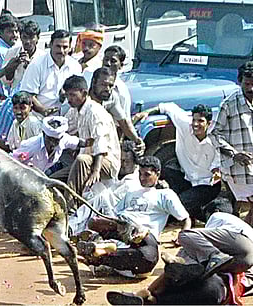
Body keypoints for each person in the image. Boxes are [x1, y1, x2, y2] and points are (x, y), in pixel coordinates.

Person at [107, 209, 253, 305]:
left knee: (186, 263)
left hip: (216, 282)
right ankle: (148, 298)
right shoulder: (236, 236)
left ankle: (146, 295)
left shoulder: (223, 230)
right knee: (181, 279)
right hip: (216, 286)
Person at [77, 156, 191, 278]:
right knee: (95, 221)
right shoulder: (131, 193)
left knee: (146, 260)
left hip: (144, 236)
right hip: (121, 229)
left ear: (157, 174)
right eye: (140, 174)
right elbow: (115, 215)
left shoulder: (164, 195)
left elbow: (186, 219)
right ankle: (104, 246)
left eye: (147, 175)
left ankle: (98, 255)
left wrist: (182, 237)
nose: (142, 178)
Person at [137, 103, 221, 222]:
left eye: (201, 121)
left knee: (176, 206)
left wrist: (216, 171)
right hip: (186, 179)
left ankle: (204, 212)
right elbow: (168, 107)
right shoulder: (185, 124)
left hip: (207, 184)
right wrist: (145, 113)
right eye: (194, 120)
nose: (196, 124)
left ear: (209, 123)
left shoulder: (216, 139)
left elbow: (218, 164)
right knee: (163, 174)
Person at [59, 73, 121, 211]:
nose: (69, 99)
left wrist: (96, 171)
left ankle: (71, 208)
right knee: (55, 179)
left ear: (84, 93)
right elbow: (65, 128)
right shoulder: (75, 110)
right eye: (67, 95)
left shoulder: (95, 112)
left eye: (72, 95)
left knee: (81, 160)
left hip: (106, 161)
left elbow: (101, 144)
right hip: (87, 160)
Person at [69, 140, 142, 235]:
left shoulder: (132, 181)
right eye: (121, 161)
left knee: (101, 198)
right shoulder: (118, 177)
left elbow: (112, 202)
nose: (123, 164)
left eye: (126, 161)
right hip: (107, 213)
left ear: (135, 162)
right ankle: (77, 230)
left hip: (120, 218)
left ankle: (71, 225)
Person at [210, 61, 253, 225]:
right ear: (240, 81)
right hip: (238, 168)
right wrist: (234, 154)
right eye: (247, 84)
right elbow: (214, 133)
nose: (250, 89)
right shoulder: (229, 104)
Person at [0, 19, 44, 140]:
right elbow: (6, 81)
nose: (28, 42)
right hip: (14, 98)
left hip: (35, 99)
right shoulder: (13, 52)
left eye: (31, 38)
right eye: (24, 37)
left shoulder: (42, 58)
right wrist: (12, 66)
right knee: (6, 118)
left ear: (37, 38)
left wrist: (30, 67)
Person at [20, 29, 82, 117]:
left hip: (68, 119)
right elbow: (28, 95)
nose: (61, 51)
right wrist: (43, 110)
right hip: (40, 119)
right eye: (58, 46)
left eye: (65, 47)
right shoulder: (37, 64)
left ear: (70, 48)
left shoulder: (75, 66)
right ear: (51, 45)